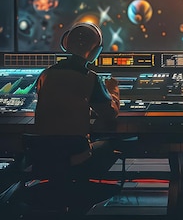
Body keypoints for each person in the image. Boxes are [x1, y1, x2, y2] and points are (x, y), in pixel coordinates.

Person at [35, 22, 121, 177]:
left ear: (65, 45)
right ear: (95, 52)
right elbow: (109, 113)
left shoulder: (45, 75)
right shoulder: (90, 78)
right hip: (76, 157)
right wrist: (113, 91)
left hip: (44, 155)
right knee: (112, 144)